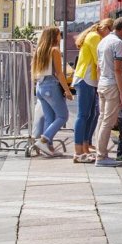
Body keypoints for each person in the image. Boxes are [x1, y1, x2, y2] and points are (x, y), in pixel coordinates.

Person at [71, 18, 113, 163]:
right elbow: (99, 61)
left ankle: (84, 147)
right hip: (86, 79)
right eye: (110, 31)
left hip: (87, 79)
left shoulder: (93, 35)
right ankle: (78, 151)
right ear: (106, 28)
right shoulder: (95, 37)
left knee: (89, 114)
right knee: (83, 115)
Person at [94, 17, 122, 167]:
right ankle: (101, 157)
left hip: (102, 84)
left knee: (101, 120)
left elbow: (98, 67)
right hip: (111, 86)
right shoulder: (118, 43)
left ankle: (100, 153)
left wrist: (99, 84)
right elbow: (118, 69)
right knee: (108, 123)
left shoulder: (102, 41)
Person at [32, 27, 74, 157]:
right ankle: (44, 140)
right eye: (59, 34)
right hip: (51, 86)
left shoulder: (39, 50)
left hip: (40, 86)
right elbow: (59, 73)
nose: (60, 37)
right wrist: (67, 90)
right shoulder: (54, 50)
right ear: (54, 36)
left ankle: (48, 147)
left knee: (50, 118)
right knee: (63, 116)